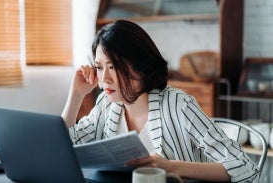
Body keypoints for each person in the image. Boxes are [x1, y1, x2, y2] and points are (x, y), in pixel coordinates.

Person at [61, 20, 259, 182]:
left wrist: (171, 167)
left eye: (113, 67)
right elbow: (63, 146)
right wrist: (76, 94)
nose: (104, 79)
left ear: (140, 67)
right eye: (99, 67)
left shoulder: (179, 105)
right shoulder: (107, 104)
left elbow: (243, 166)